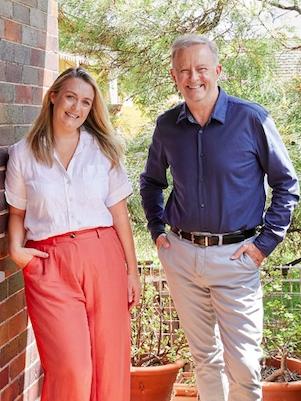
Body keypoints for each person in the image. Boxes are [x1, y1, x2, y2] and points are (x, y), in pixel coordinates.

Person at [140, 35, 299, 401]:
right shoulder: (167, 126)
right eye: (184, 70)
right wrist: (157, 229)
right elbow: (150, 181)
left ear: (217, 71)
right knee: (204, 357)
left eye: (200, 68)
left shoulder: (252, 119)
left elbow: (286, 185)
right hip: (182, 254)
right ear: (174, 76)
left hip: (236, 257)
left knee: (243, 361)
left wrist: (264, 245)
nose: (193, 77)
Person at [5, 67, 141, 401]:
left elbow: (119, 215)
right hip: (50, 265)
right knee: (72, 368)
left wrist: (132, 271)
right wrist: (16, 250)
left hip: (103, 256)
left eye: (85, 102)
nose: (76, 108)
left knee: (109, 364)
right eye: (70, 97)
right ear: (53, 97)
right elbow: (18, 213)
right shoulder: (23, 153)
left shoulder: (103, 150)